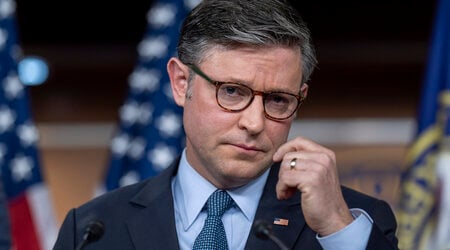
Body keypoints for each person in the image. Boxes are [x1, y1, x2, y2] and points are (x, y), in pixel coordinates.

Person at [53, 0, 398, 249]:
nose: (254, 122)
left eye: (278, 100)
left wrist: (336, 229)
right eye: (232, 91)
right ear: (180, 83)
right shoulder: (92, 230)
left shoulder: (354, 224)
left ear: (300, 96)